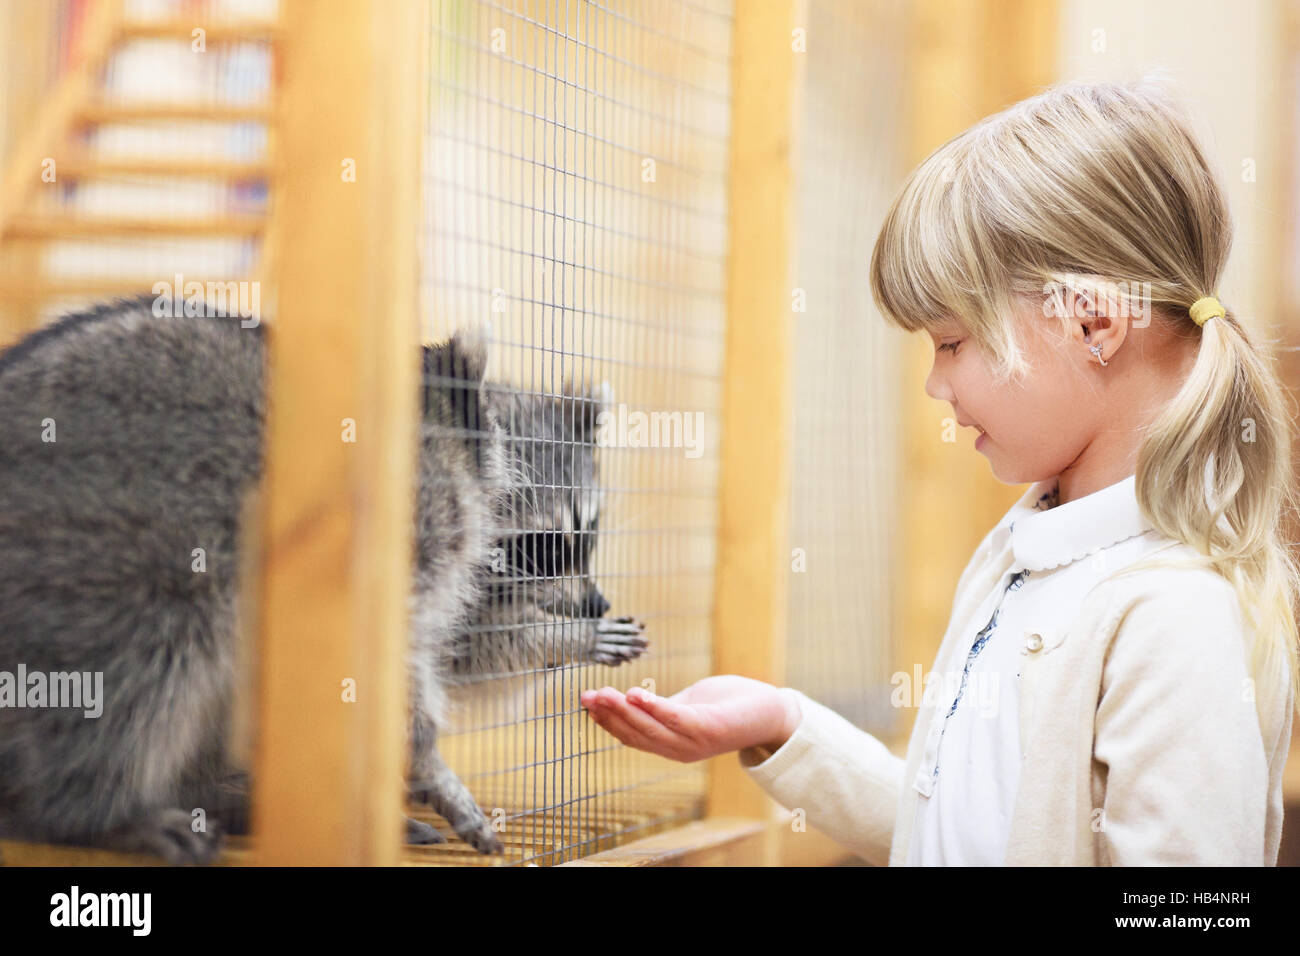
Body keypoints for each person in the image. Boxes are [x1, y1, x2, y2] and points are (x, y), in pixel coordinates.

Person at [579, 78, 1299, 866]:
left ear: (1093, 322)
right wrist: (784, 724)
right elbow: (967, 829)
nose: (936, 384)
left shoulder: (1174, 614)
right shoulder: (1024, 557)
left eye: (952, 343)